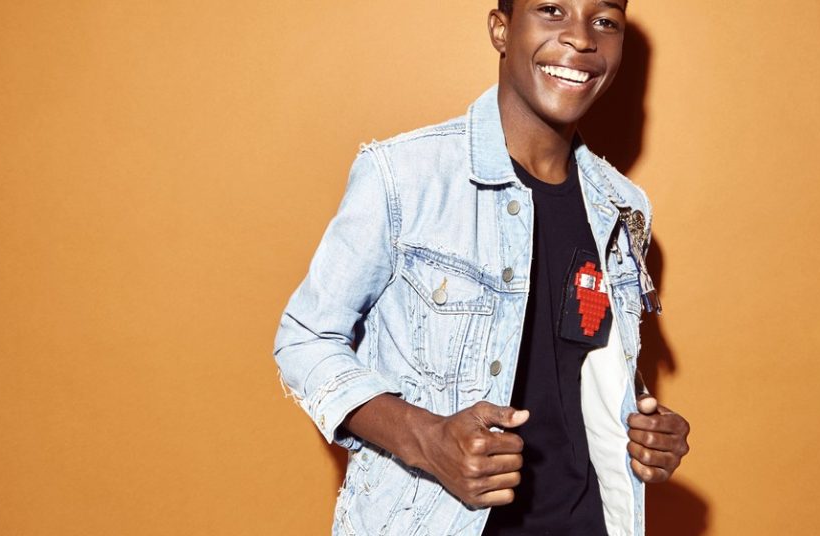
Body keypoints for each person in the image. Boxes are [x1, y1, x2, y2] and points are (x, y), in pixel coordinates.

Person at [274, 1, 691, 534]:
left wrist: (646, 432)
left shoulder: (622, 205)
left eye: (604, 21)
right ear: (501, 29)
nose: (582, 38)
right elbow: (305, 338)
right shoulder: (405, 176)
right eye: (552, 10)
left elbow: (578, 365)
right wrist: (427, 439)